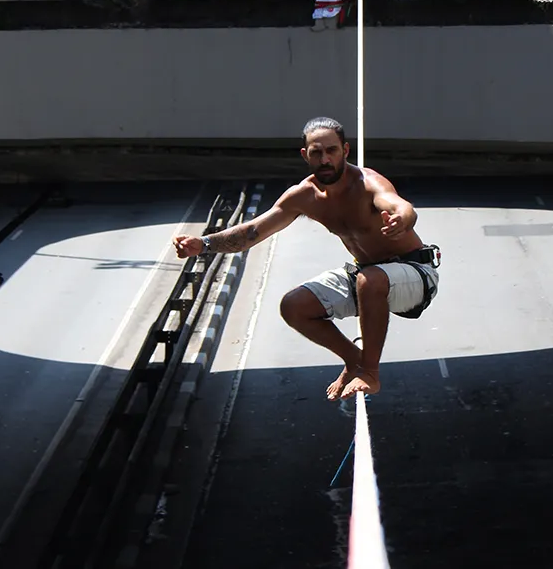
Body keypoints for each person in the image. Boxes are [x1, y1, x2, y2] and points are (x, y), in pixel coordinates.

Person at [171, 117, 440, 401]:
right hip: (369, 276)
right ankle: (354, 360)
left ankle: (370, 372)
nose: (325, 159)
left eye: (332, 151)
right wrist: (204, 244)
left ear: (345, 151)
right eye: (316, 153)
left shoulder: (368, 183)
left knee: (369, 279)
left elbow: (401, 205)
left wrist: (401, 220)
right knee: (294, 306)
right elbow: (252, 232)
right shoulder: (304, 196)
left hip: (414, 273)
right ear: (305, 155)